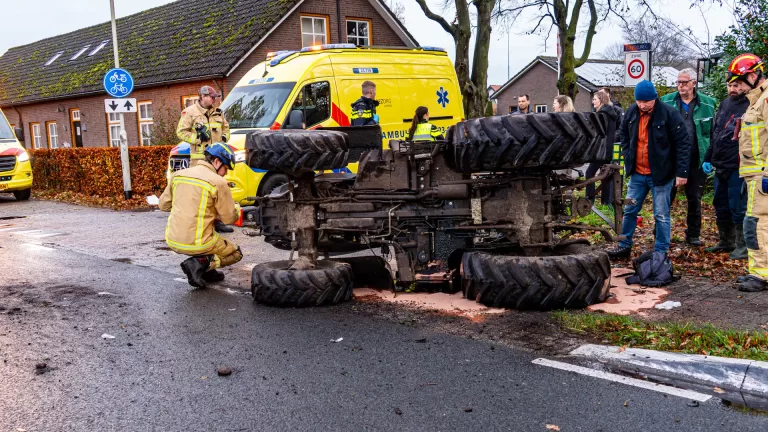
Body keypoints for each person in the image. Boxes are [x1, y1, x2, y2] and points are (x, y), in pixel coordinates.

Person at [606, 80, 691, 258]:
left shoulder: (668, 114)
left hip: (661, 174)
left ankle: (661, 251)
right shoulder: (631, 112)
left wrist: (682, 172)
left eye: (647, 102)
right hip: (637, 174)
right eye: (640, 102)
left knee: (661, 214)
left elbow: (683, 143)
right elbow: (623, 133)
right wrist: (628, 153)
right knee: (629, 210)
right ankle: (624, 244)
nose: (643, 105)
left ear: (655, 99)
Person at [159, 142, 242, 289]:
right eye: (226, 168)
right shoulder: (218, 182)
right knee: (236, 253)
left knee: (209, 228)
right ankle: (200, 264)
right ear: (216, 161)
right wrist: (235, 207)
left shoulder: (178, 175)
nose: (226, 173)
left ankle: (208, 272)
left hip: (172, 239)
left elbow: (163, 205)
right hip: (198, 242)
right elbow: (229, 218)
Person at [661, 68, 718, 246]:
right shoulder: (666, 101)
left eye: (684, 82)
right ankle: (660, 232)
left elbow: (714, 132)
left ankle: (693, 234)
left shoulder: (708, 104)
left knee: (694, 197)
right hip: (671, 159)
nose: (681, 86)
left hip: (697, 158)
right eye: (678, 82)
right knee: (665, 197)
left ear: (694, 82)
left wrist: (710, 157)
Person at [727, 54, 768, 292]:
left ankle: (760, 275)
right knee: (759, 223)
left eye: (739, 81)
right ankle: (758, 270)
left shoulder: (764, 100)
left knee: (757, 224)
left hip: (762, 176)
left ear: (753, 76)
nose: (736, 86)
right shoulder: (756, 99)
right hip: (755, 176)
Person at [702, 71, 751, 259]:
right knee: (720, 204)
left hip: (738, 166)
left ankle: (742, 246)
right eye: (730, 85)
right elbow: (715, 133)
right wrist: (708, 158)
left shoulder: (750, 105)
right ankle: (726, 240)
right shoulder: (724, 104)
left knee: (738, 207)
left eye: (737, 85)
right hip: (719, 164)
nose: (733, 89)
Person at [177, 85, 230, 166]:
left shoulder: (218, 112)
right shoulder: (189, 112)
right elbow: (181, 132)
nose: (214, 99)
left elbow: (226, 129)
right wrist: (198, 138)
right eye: (211, 97)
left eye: (214, 97)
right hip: (199, 161)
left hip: (216, 160)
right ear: (202, 96)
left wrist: (223, 139)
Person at [585, 91, 621, 205]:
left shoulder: (601, 115)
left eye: (595, 99)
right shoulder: (610, 113)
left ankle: (589, 199)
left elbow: (597, 133)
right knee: (605, 176)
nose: (593, 101)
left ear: (601, 100)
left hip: (601, 149)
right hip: (608, 148)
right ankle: (606, 202)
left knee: (589, 173)